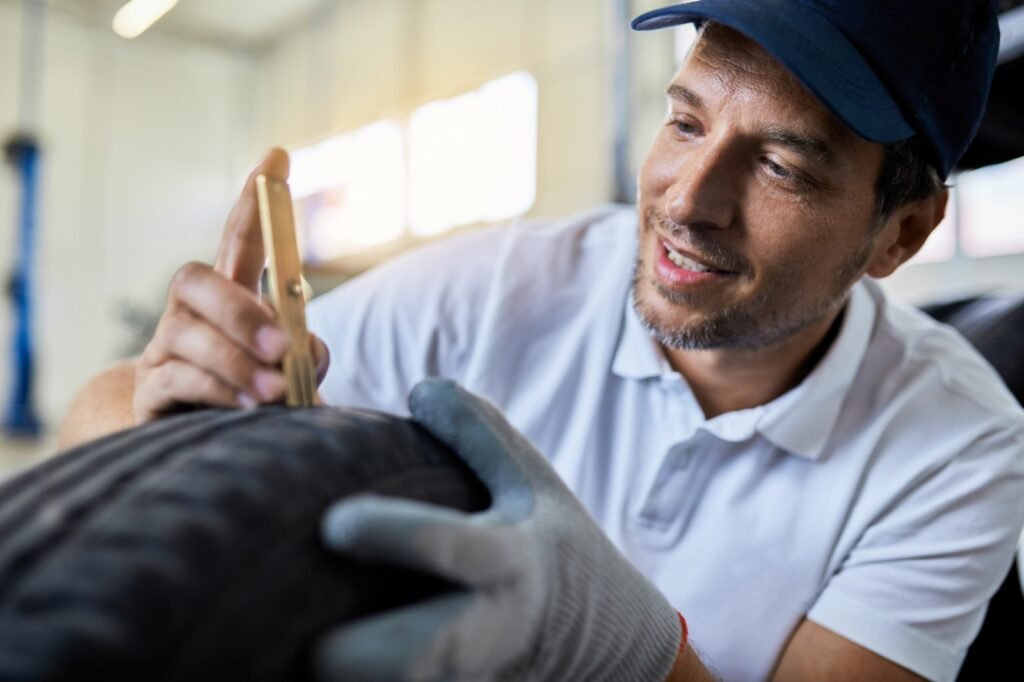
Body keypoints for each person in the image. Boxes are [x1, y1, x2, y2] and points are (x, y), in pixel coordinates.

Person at [59, 1, 1024, 680]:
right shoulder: (498, 291)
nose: (689, 202)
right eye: (686, 122)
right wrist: (171, 418)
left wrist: (625, 642)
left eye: (780, 164)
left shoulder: (958, 444)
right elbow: (96, 408)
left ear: (902, 233)